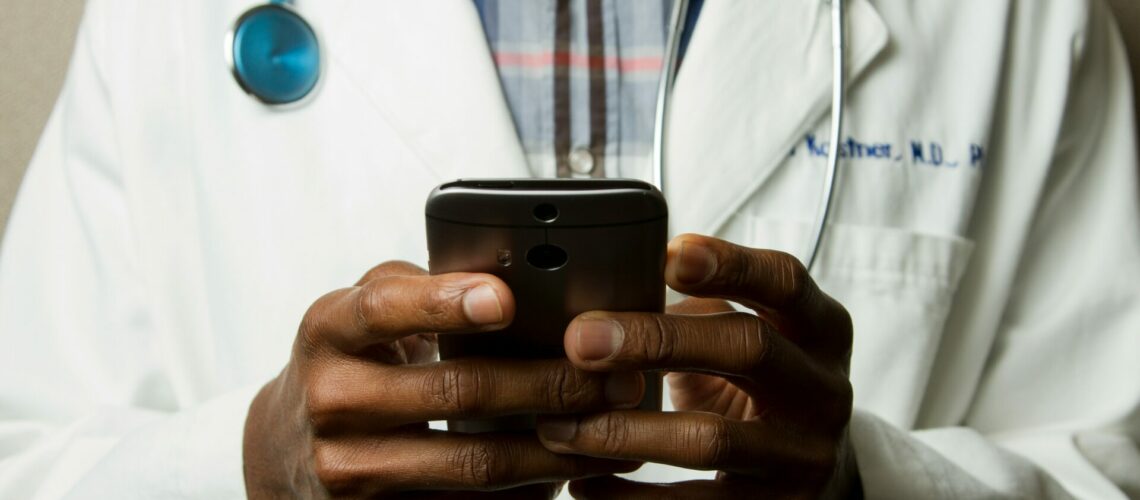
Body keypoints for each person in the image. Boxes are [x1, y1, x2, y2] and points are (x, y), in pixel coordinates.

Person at [1, 0, 1138, 498]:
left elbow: (1114, 464)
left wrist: (863, 484)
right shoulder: (163, 14)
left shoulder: (1020, 14)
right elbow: (26, 462)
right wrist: (251, 466)